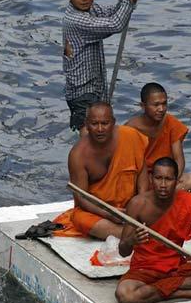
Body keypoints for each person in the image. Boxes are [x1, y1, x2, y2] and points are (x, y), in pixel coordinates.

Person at [116, 157, 191, 303]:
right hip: (144, 269)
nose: (163, 185)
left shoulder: (188, 202)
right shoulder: (138, 204)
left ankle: (167, 287)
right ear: (151, 178)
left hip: (176, 268)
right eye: (158, 178)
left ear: (177, 181)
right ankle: (179, 292)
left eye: (168, 179)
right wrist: (131, 241)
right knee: (124, 295)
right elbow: (123, 251)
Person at [53, 101, 148, 239]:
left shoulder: (130, 136)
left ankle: (134, 230)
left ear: (113, 122)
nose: (100, 129)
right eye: (94, 124)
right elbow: (81, 198)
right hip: (99, 212)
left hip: (131, 206)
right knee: (80, 219)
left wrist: (139, 206)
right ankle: (129, 234)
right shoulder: (78, 155)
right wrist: (109, 213)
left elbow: (142, 175)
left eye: (105, 123)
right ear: (86, 124)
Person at [63, 0, 142, 131]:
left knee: (101, 137)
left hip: (96, 88)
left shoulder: (92, 9)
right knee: (89, 138)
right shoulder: (75, 19)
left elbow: (115, 13)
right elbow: (115, 24)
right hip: (82, 93)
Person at [126, 82, 191, 191]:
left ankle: (159, 195)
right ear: (143, 106)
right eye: (156, 105)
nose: (161, 109)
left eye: (164, 104)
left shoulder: (170, 122)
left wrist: (170, 181)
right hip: (140, 180)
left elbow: (179, 160)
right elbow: (128, 166)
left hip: (165, 178)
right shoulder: (130, 129)